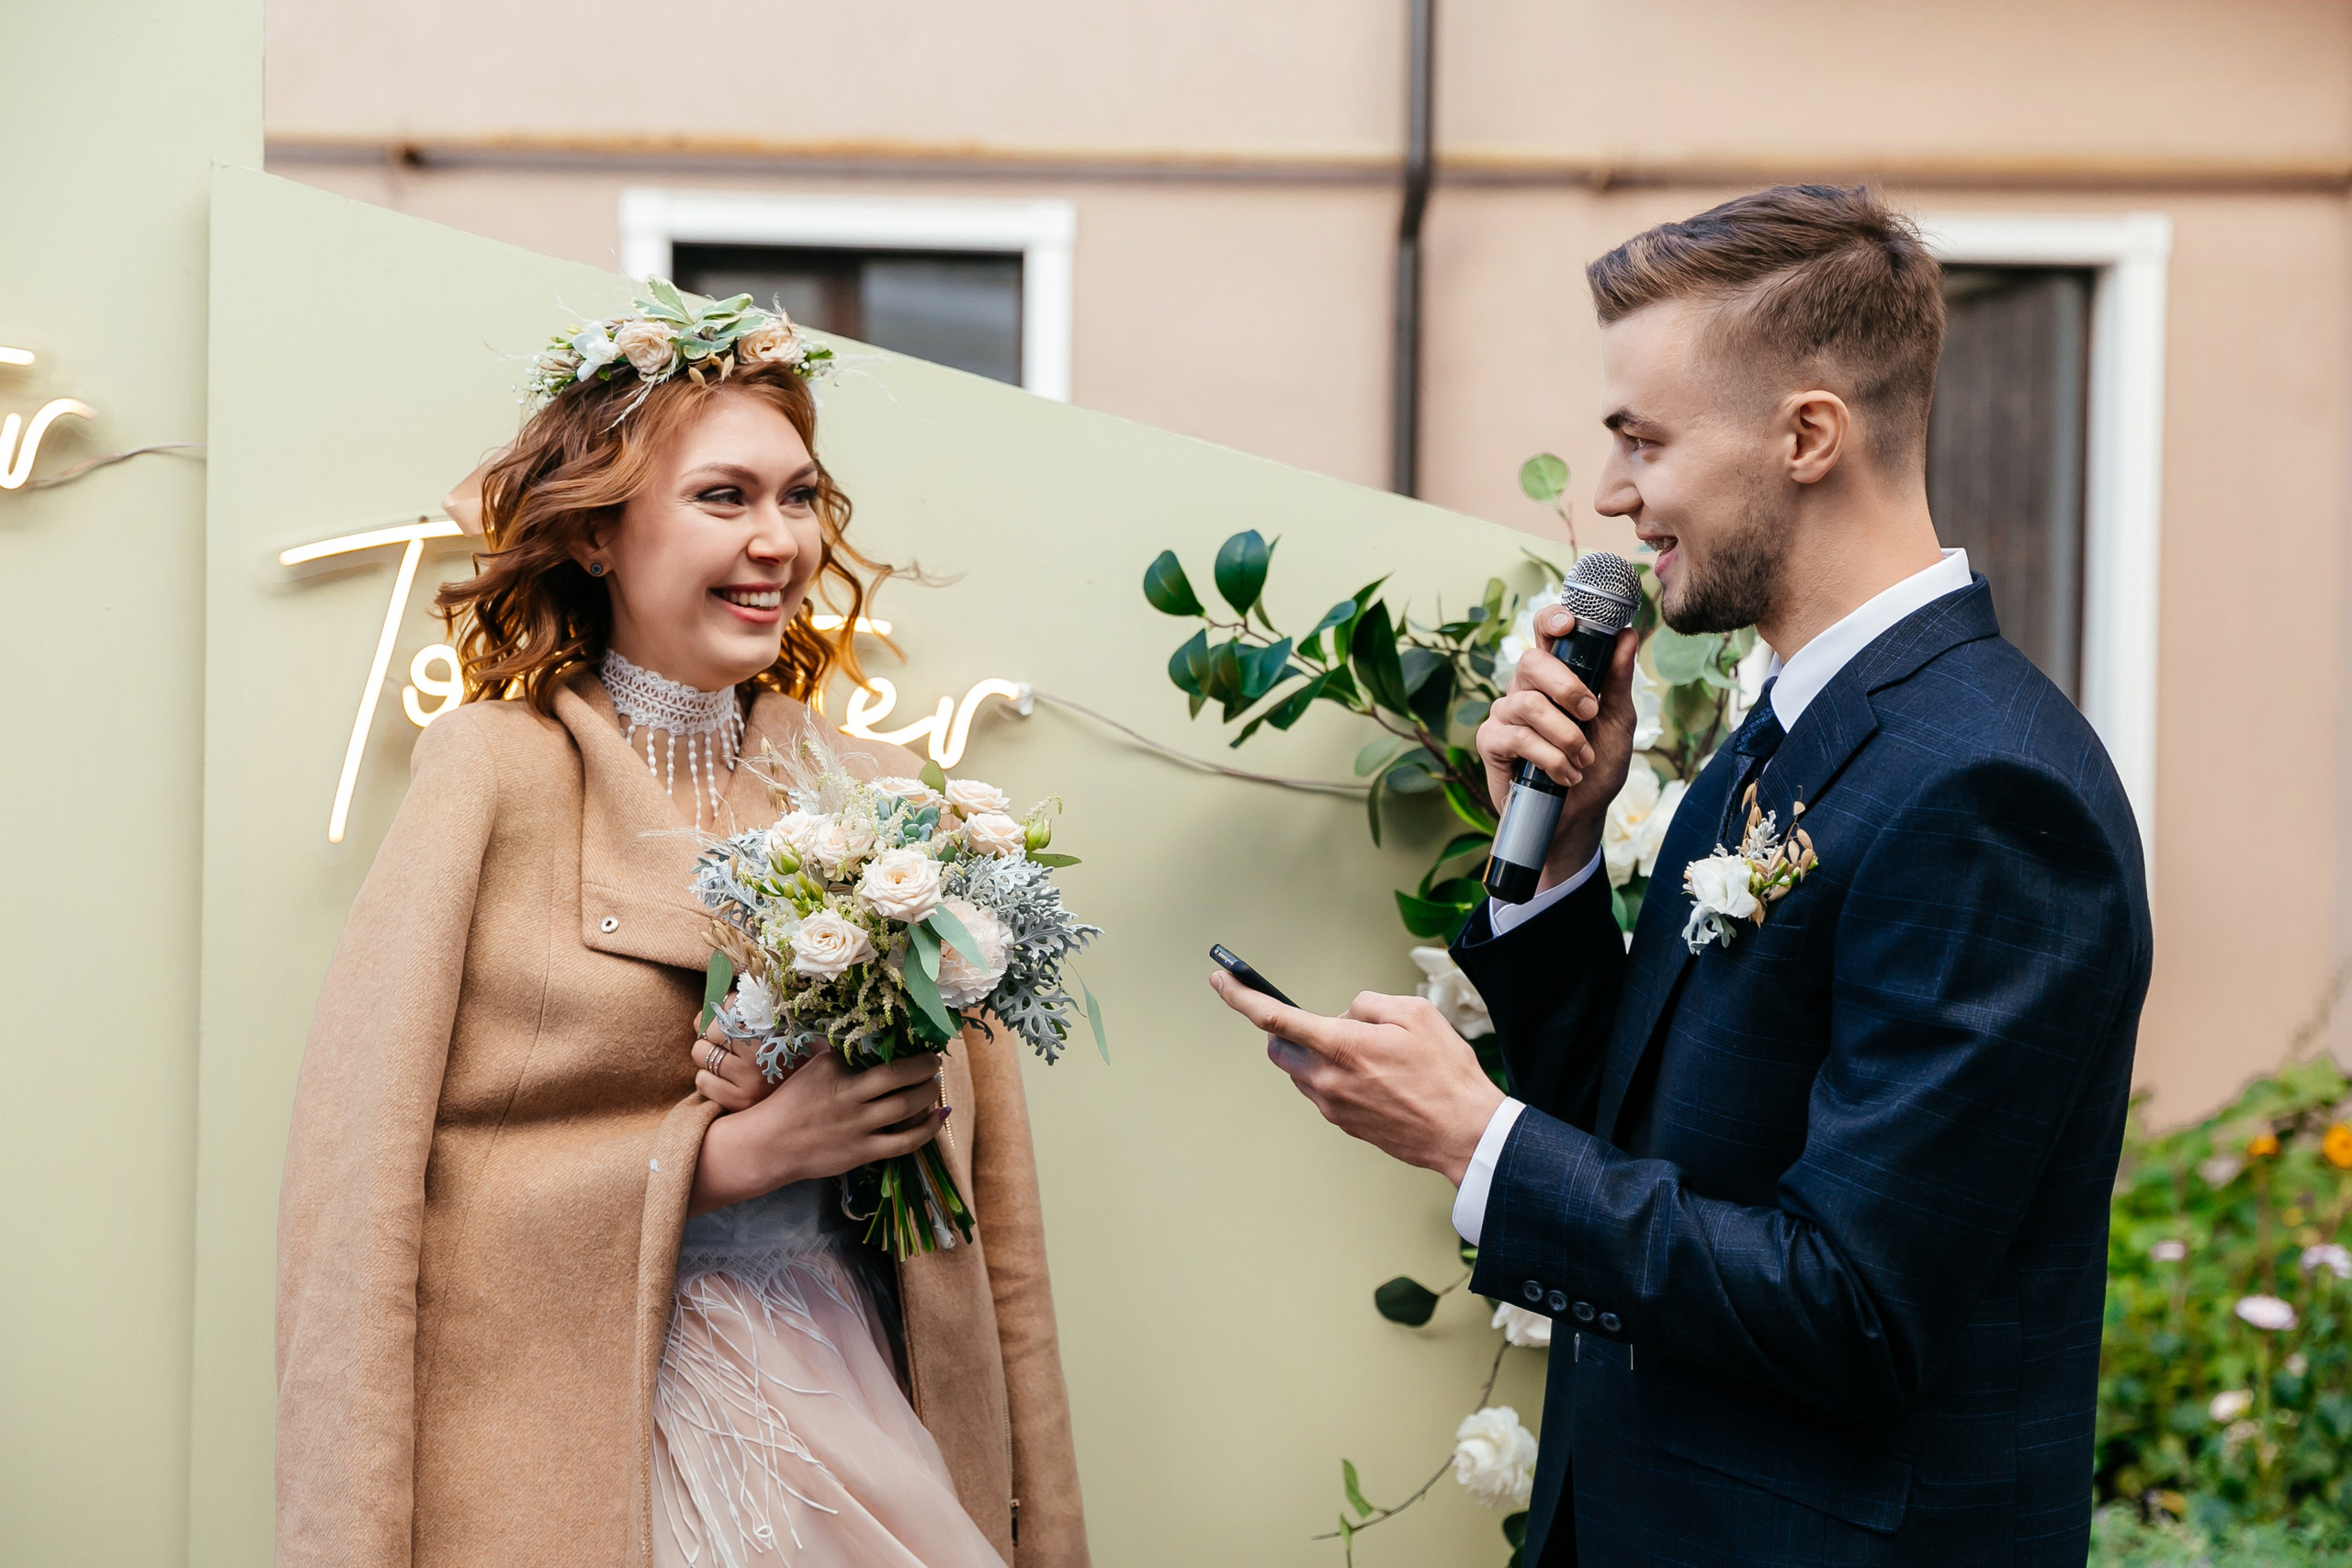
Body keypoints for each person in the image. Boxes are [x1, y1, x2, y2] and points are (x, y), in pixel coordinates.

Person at [1211, 186, 2149, 1566]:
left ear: (1807, 435)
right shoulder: (1790, 729)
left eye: (1642, 440)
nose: (1611, 495)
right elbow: (1649, 1127)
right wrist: (1567, 851)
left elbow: (1855, 1311)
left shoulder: (1988, 792)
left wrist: (1477, 1142)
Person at [277, 291, 1088, 1567]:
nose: (779, 542)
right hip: (567, 1464)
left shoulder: (893, 808)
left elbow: (997, 1240)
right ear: (598, 532)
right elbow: (368, 1198)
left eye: (800, 496)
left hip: (859, 1435)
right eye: (725, 497)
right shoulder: (489, 772)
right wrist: (729, 1157)